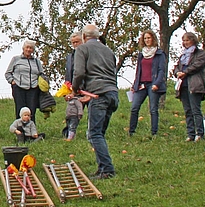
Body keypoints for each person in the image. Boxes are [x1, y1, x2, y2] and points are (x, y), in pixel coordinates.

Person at [73, 24, 119, 179]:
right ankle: (102, 168)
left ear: (84, 37)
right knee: (100, 133)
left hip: (98, 95)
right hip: (112, 93)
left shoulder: (82, 49)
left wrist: (75, 89)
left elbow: (79, 72)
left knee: (94, 134)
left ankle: (107, 170)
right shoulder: (109, 50)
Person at [127, 30, 167, 136]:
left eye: (149, 38)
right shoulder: (142, 54)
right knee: (134, 107)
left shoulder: (159, 54)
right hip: (141, 84)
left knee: (153, 109)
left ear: (153, 38)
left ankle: (154, 133)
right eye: (145, 38)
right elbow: (138, 71)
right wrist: (135, 84)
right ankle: (131, 132)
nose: (147, 40)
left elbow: (161, 70)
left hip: (153, 84)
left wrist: (157, 84)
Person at [173, 32, 205, 141]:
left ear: (193, 40)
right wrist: (177, 72)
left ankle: (200, 133)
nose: (185, 43)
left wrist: (186, 72)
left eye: (187, 40)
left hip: (194, 84)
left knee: (195, 110)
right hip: (183, 85)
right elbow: (176, 66)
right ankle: (190, 134)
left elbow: (198, 65)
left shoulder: (200, 53)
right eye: (184, 41)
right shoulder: (183, 55)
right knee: (187, 110)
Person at [4, 40, 44, 122]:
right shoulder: (16, 59)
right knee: (20, 110)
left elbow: (41, 74)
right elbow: (8, 73)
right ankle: (20, 131)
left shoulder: (36, 61)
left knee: (31, 111)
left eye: (31, 48)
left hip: (33, 88)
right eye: (27, 47)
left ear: (33, 50)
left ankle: (31, 132)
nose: (29, 50)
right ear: (23, 48)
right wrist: (12, 81)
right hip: (19, 88)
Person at [63, 31, 86, 140]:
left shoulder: (87, 54)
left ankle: (92, 133)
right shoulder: (70, 56)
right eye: (73, 42)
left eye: (77, 42)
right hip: (73, 89)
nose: (75, 44)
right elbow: (68, 72)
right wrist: (67, 85)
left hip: (87, 89)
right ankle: (69, 132)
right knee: (72, 112)